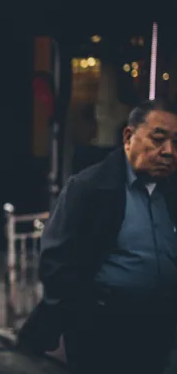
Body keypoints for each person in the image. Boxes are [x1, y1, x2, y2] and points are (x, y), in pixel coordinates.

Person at [30, 100, 177, 374]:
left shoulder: (170, 191)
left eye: (175, 142)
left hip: (160, 329)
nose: (169, 151)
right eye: (158, 139)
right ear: (128, 137)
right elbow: (55, 262)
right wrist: (77, 317)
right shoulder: (90, 187)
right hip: (102, 330)